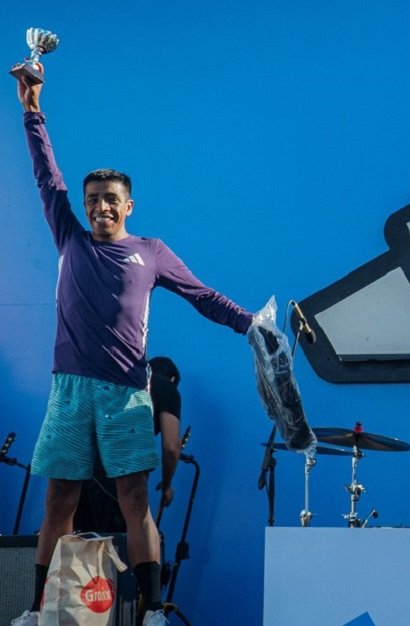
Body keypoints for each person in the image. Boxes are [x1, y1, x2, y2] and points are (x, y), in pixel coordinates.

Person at [13, 68, 254, 626]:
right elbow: (46, 175)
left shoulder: (152, 251)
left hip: (125, 394)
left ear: (129, 206)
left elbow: (204, 296)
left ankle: (151, 611)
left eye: (110, 200)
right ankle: (36, 609)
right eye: (92, 199)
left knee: (134, 503)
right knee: (58, 503)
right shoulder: (70, 238)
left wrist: (252, 327)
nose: (99, 207)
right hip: (70, 392)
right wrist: (32, 108)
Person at [73, 356, 184, 534]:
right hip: (122, 475)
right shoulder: (166, 386)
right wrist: (167, 484)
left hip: (83, 470)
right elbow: (171, 447)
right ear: (172, 379)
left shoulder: (123, 382)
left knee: (81, 540)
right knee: (124, 539)